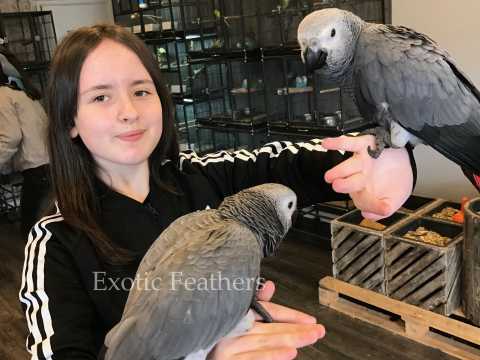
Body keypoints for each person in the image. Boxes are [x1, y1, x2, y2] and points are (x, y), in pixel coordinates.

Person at [19, 24, 415, 360]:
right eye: (101, 97)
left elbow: (308, 161)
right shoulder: (54, 242)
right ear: (70, 120)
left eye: (141, 91)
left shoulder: (209, 178)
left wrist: (382, 161)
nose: (128, 111)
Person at [0, 49, 50, 236]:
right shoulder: (25, 93)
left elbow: (10, 137)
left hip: (38, 171)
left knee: (31, 231)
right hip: (50, 165)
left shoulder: (3, 95)